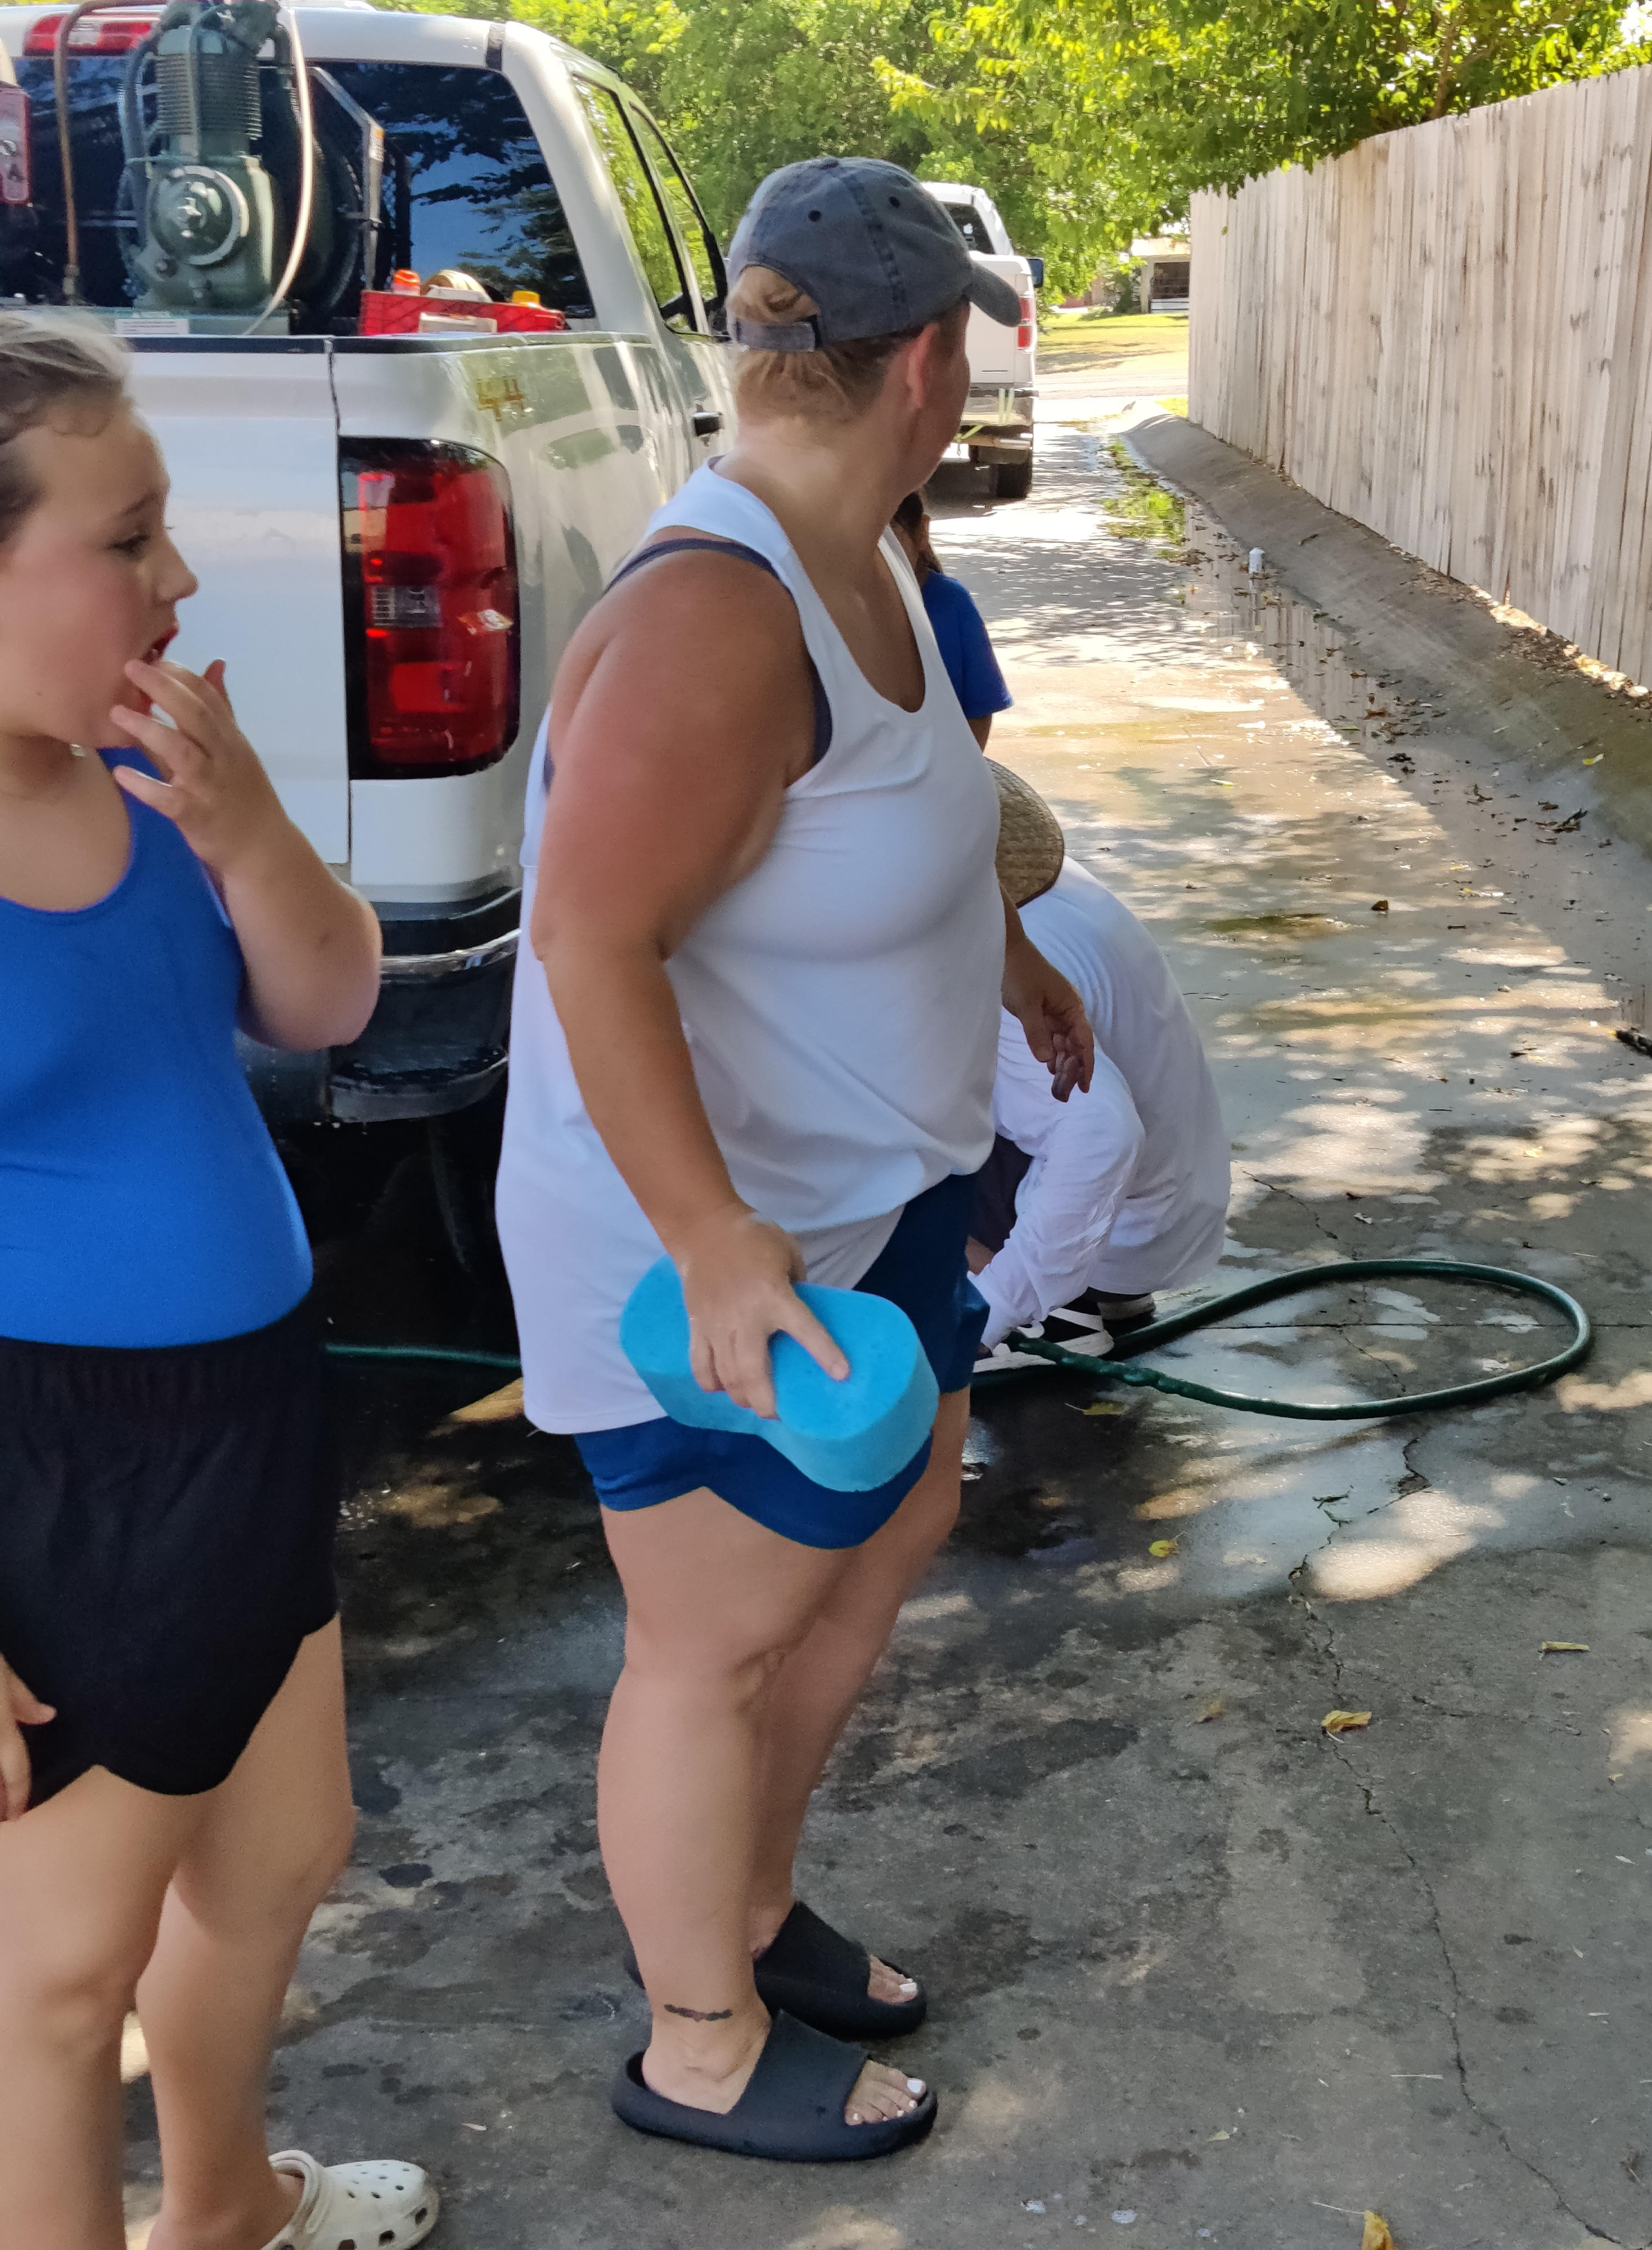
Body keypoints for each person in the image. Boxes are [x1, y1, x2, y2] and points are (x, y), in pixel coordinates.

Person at [498, 157, 1093, 2162]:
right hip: (712, 1255)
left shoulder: (867, 556)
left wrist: (1004, 956)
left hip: (873, 1201)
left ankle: (750, 1909)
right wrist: (712, 1238)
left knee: (880, 1536)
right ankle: (697, 2035)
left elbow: (882, 823)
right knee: (713, 1643)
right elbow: (591, 940)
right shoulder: (712, 609)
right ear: (925, 361)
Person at [0, 319, 437, 2250]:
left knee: (279, 1857)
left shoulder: (146, 763)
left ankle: (227, 2207)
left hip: (245, 1410)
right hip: (56, 1472)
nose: (178, 575)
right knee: (55, 1983)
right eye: (127, 539)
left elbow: (327, 1000)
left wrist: (247, 821)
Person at [970, 766, 1231, 1370]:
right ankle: (1075, 1291)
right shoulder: (1052, 892)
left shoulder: (988, 964)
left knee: (866, 1130)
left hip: (1113, 1230)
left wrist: (987, 1311)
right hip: (1154, 1222)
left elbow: (1100, 1136)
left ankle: (1049, 1314)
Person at [890, 485, 1011, 747]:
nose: (880, 562)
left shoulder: (952, 604)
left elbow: (979, 710)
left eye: (891, 546)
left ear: (922, 532)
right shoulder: (835, 612)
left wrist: (959, 767)